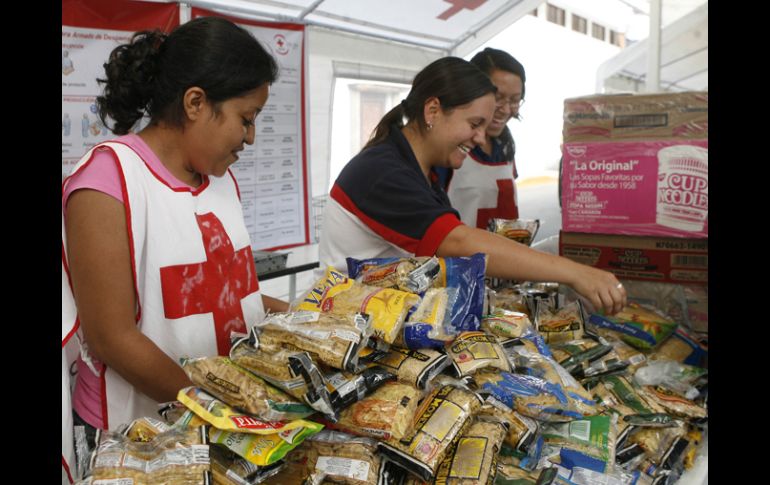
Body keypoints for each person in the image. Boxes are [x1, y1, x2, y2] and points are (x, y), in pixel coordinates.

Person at [61, 16, 287, 482]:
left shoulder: (221, 183)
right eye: (246, 119)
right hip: (138, 437)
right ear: (196, 103)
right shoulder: (107, 183)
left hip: (225, 428)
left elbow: (228, 295)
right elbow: (112, 338)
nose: (250, 138)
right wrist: (220, 406)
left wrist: (306, 315)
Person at [319, 56, 625, 316]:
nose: (480, 138)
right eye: (474, 124)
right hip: (342, 324)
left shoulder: (421, 171)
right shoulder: (382, 170)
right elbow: (458, 242)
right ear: (433, 111)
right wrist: (574, 272)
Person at [439, 47, 526, 229]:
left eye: (515, 100)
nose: (506, 109)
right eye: (498, 97)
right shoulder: (447, 150)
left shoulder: (505, 147)